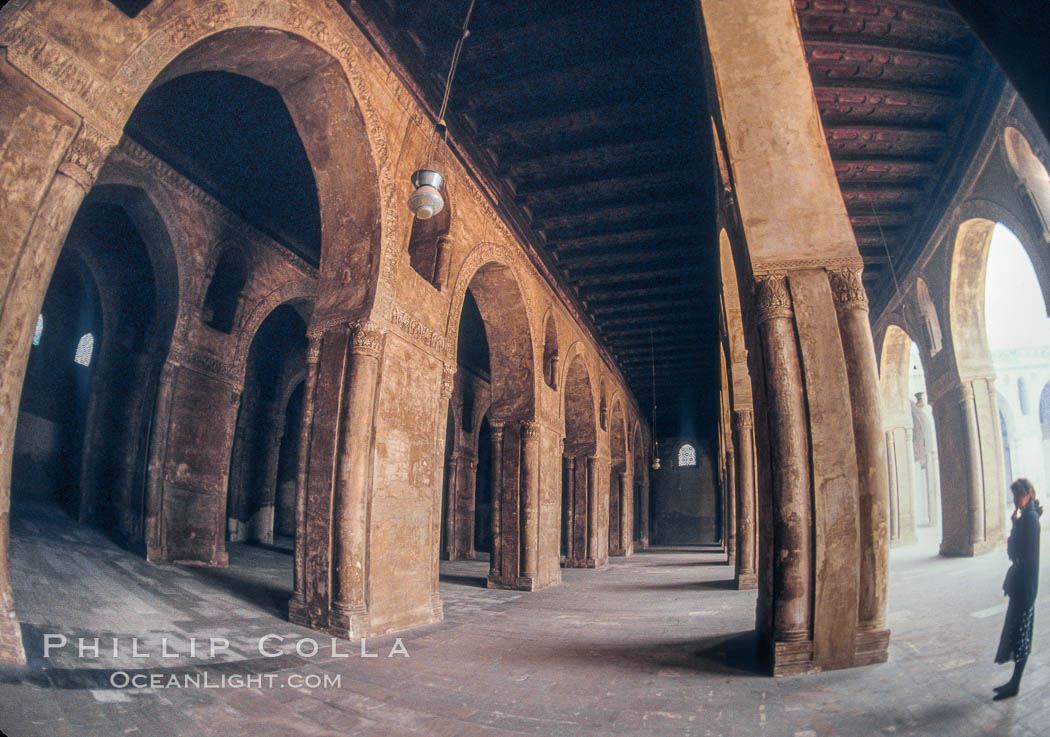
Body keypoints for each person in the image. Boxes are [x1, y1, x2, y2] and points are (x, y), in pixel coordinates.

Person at [994, 477, 1042, 700]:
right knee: (1017, 632)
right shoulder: (1027, 518)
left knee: (1021, 634)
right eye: (1014, 496)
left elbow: (1022, 555)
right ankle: (1013, 681)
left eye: (1019, 496)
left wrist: (1015, 526)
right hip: (1022, 584)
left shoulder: (1030, 520)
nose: (1016, 500)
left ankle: (1015, 683)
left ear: (1028, 494)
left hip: (1025, 586)